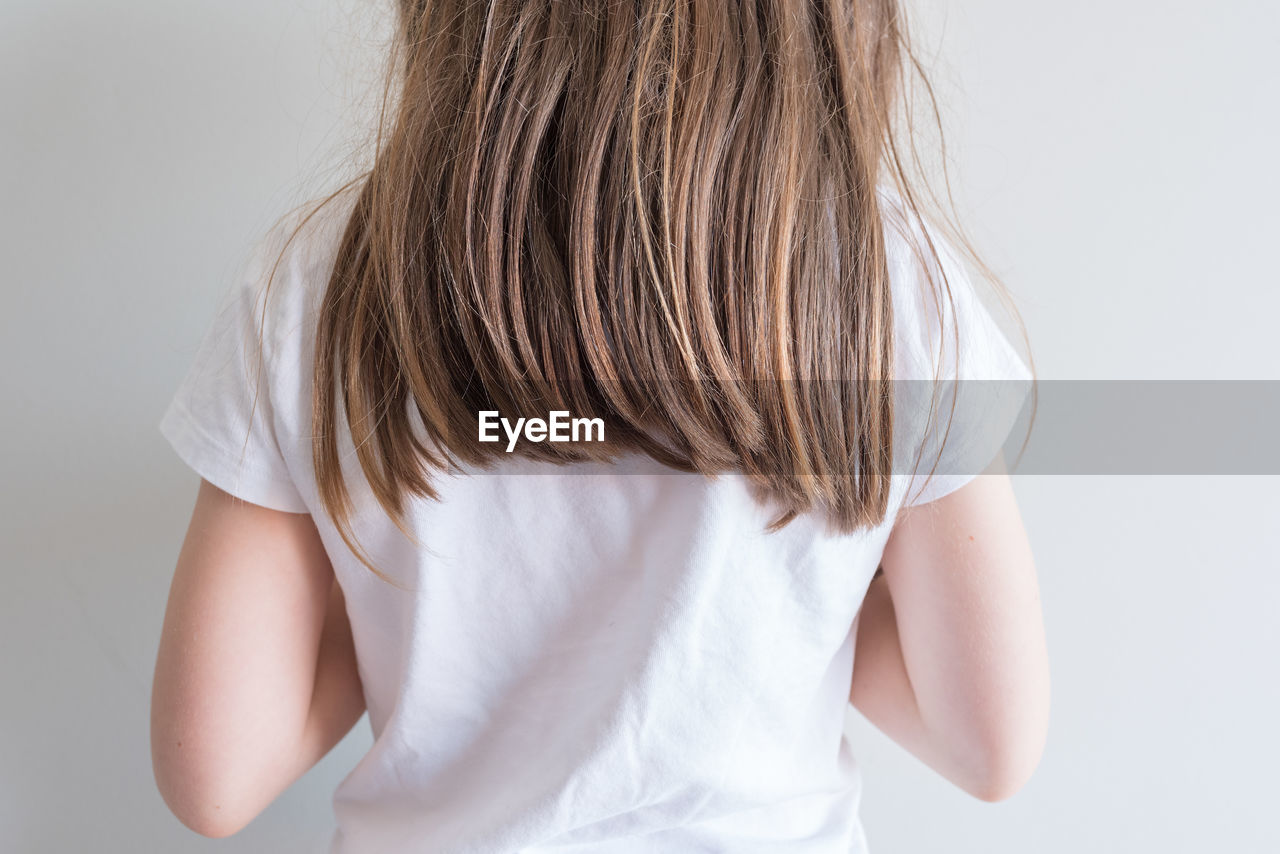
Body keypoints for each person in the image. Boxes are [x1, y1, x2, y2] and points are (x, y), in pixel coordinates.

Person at [151, 2, 1050, 851]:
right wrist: (783, 621)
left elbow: (213, 772)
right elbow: (989, 740)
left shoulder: (323, 285)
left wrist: (378, 606)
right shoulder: (885, 286)